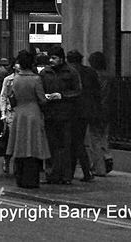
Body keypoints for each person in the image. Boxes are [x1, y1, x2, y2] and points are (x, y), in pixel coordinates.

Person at [5, 50, 52, 188]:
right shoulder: (36, 79)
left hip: (20, 114)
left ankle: (20, 178)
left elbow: (12, 96)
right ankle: (32, 180)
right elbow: (42, 99)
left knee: (20, 146)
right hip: (33, 114)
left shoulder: (16, 79)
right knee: (33, 146)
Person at [40, 45, 82, 184]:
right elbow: (40, 90)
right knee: (51, 145)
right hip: (50, 114)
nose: (51, 60)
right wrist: (45, 96)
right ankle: (51, 174)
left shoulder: (71, 72)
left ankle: (66, 176)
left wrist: (62, 95)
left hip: (66, 114)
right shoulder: (45, 73)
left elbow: (78, 91)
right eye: (50, 58)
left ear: (61, 58)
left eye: (54, 58)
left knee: (65, 146)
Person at [67, 50, 100, 182]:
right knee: (78, 141)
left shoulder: (69, 72)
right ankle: (82, 172)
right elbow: (97, 92)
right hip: (86, 111)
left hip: (72, 110)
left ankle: (79, 172)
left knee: (74, 142)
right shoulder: (90, 72)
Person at [87, 51, 114, 176]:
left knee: (95, 139)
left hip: (96, 110)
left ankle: (99, 168)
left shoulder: (93, 76)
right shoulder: (108, 76)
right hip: (107, 109)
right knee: (104, 136)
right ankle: (107, 156)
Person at [0, 54, 24, 175]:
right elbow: (3, 96)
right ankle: (7, 160)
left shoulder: (27, 78)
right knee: (10, 139)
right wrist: (3, 112)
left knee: (21, 140)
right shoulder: (8, 80)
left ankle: (18, 164)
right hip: (10, 113)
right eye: (17, 64)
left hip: (22, 111)